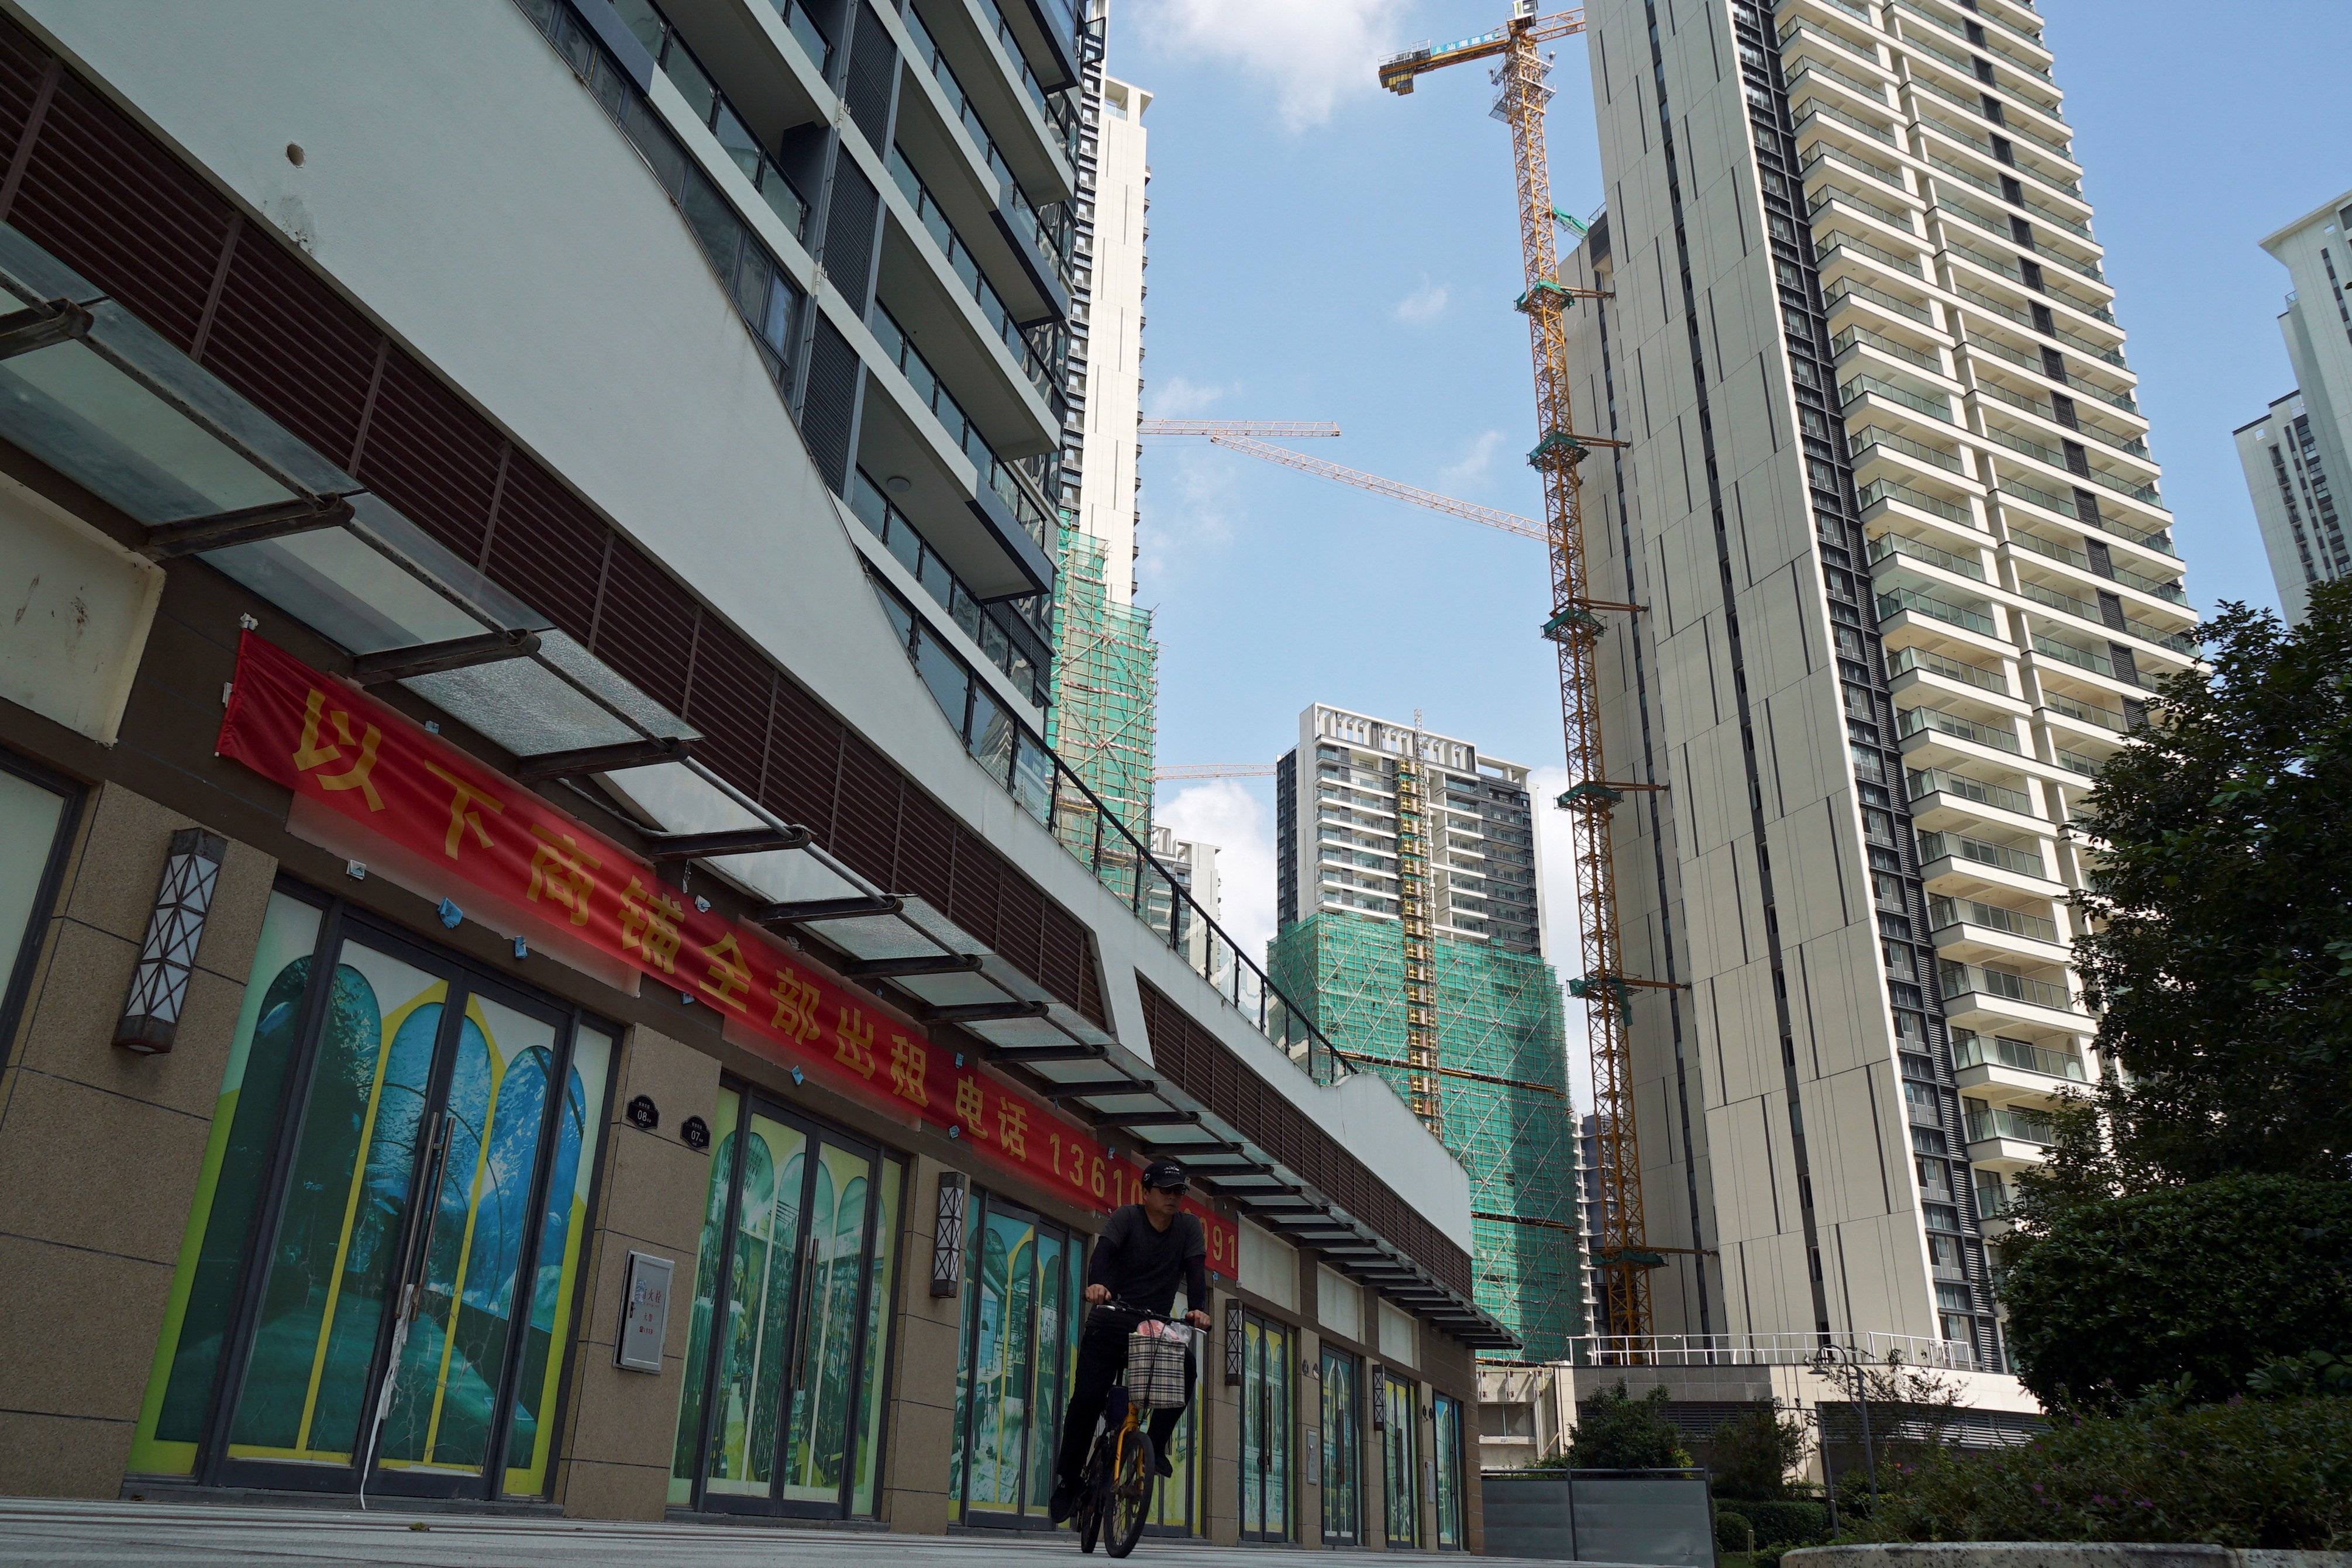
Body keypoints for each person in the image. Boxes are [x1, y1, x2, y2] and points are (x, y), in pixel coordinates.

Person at [1048, 1159, 1211, 1525]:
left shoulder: (1188, 1228)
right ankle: (1069, 1480)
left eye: (1178, 1192)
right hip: (1111, 1318)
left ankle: (1153, 1445)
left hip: (1153, 1327)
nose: (1172, 1198)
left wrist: (1199, 1309)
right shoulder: (1126, 1218)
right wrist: (1098, 1286)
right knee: (1087, 1399)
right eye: (1165, 1191)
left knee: (1186, 1368)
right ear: (1146, 1192)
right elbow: (1102, 1257)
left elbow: (1196, 1277)